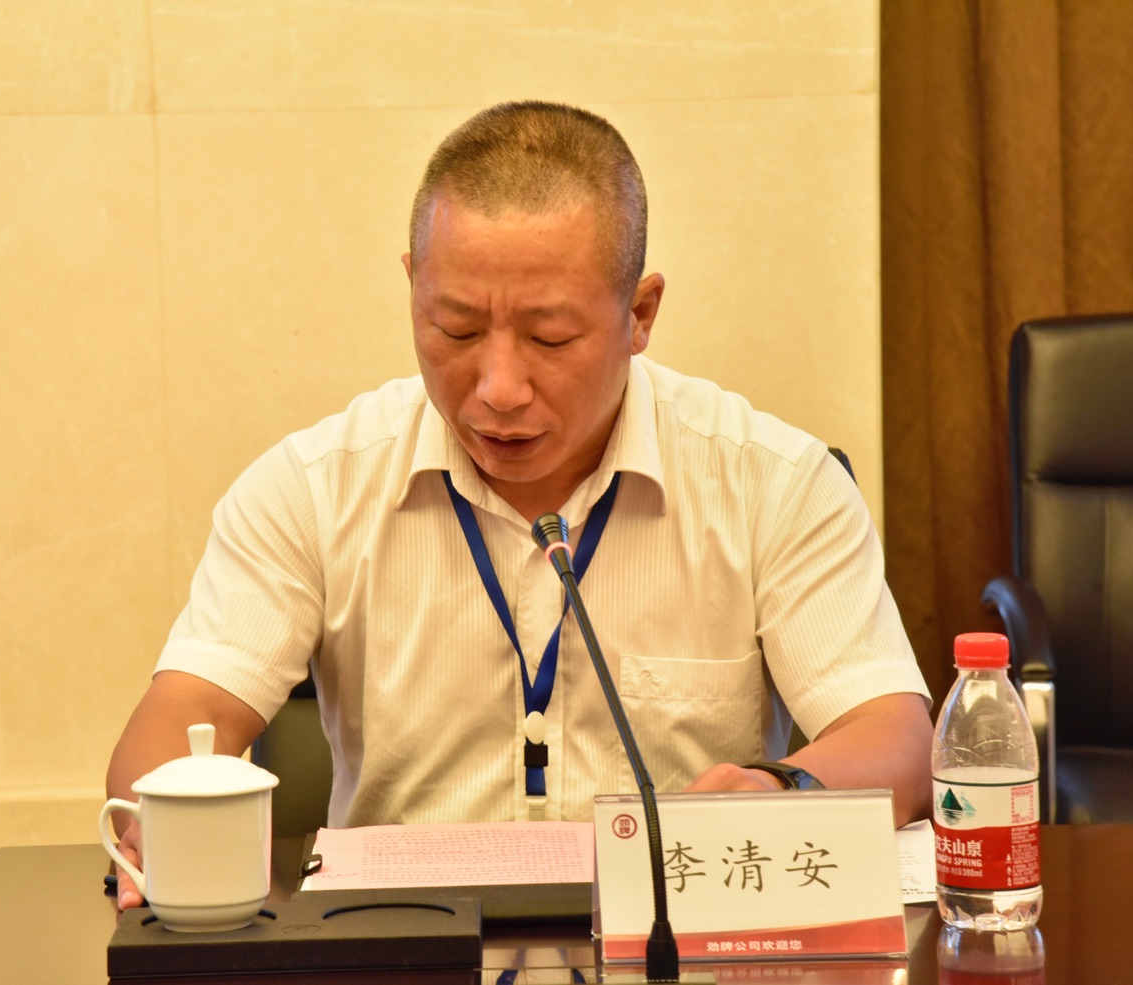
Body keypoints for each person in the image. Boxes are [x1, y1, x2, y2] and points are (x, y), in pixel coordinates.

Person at [106, 101, 933, 911]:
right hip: (403, 950)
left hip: (674, 948)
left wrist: (782, 789)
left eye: (550, 337)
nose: (499, 388)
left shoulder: (775, 483)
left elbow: (893, 733)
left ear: (640, 313)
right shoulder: (311, 487)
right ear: (413, 285)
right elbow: (187, 712)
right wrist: (165, 823)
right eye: (456, 329)